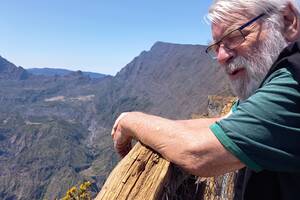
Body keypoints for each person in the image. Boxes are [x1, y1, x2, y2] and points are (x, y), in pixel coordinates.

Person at [111, 0, 300, 199]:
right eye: (217, 46)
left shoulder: (294, 81)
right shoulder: (269, 81)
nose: (221, 57)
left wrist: (130, 121)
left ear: (287, 20)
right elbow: (224, 124)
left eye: (235, 36)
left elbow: (198, 154)